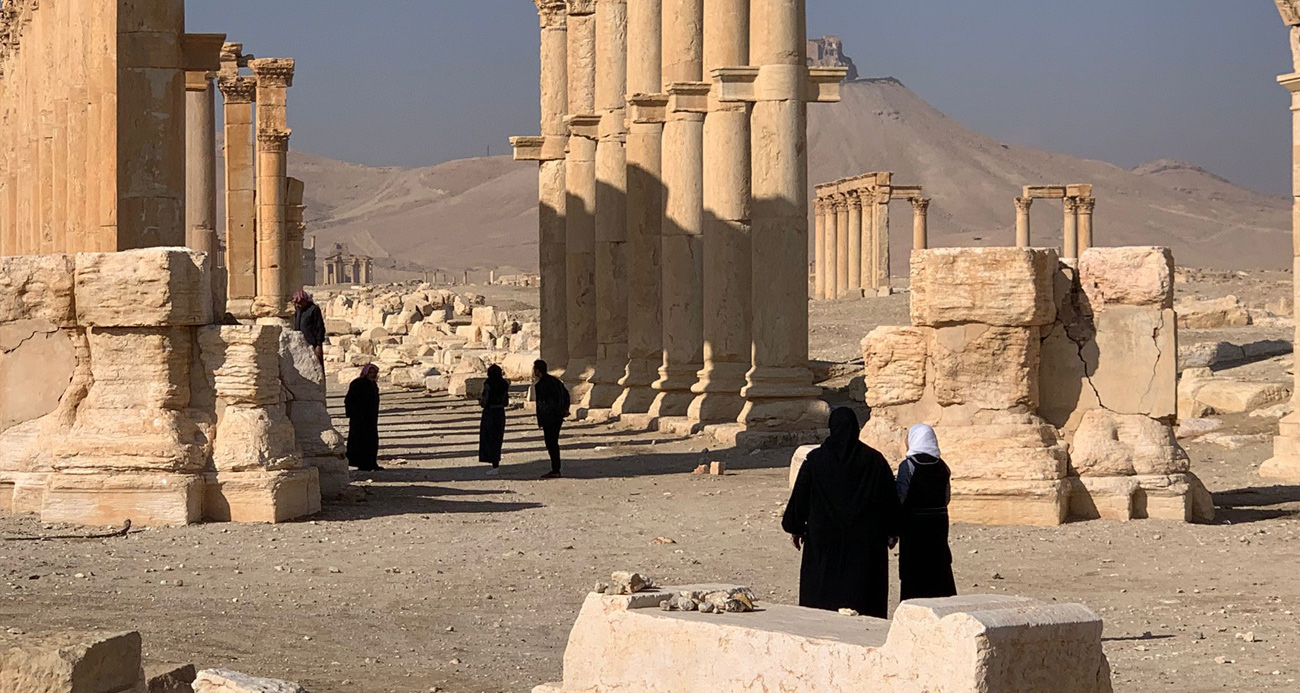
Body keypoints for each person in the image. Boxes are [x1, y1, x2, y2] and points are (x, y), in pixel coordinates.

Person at [782, 407, 902, 618]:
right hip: (865, 545)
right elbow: (889, 500)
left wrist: (795, 527)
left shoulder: (816, 461)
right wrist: (892, 530)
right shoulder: (875, 461)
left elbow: (800, 498)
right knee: (865, 604)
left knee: (821, 606)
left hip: (824, 544)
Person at [896, 423, 958, 601]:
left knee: (914, 571)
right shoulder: (942, 466)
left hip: (914, 526)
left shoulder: (908, 466)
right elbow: (946, 497)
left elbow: (901, 497)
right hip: (938, 524)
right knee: (938, 567)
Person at [531, 359, 570, 479]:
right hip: (557, 416)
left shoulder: (542, 385)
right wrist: (564, 409)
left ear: (537, 370)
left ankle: (555, 469)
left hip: (550, 417)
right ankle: (555, 468)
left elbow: (543, 403)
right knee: (553, 443)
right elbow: (566, 394)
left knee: (551, 444)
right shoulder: (555, 381)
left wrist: (543, 418)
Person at [344, 364, 383, 472]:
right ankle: (361, 463)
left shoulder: (373, 385)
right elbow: (349, 400)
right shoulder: (358, 384)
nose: (373, 375)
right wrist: (353, 413)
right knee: (359, 440)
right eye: (370, 373)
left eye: (374, 373)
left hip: (370, 418)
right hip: (359, 418)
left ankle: (371, 463)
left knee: (371, 440)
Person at [478, 364, 510, 475]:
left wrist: (481, 402)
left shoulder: (488, 384)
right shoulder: (504, 383)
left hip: (490, 413)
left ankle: (494, 463)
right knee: (497, 438)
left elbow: (485, 400)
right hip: (500, 412)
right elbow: (506, 401)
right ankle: (495, 462)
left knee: (489, 437)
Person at [291, 290, 327, 368]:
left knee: (317, 366)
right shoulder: (298, 310)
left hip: (312, 343)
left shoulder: (314, 309)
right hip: (300, 343)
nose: (298, 305)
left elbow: (320, 327)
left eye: (300, 303)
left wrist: (318, 344)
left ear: (305, 301)